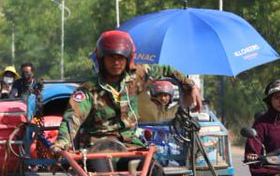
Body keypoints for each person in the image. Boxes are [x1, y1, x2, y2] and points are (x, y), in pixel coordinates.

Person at [53, 30, 200, 153]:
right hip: (99, 147)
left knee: (155, 173)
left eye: (120, 58)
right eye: (111, 57)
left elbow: (167, 70)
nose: (116, 63)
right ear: (101, 59)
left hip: (131, 144)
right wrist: (61, 143)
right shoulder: (88, 90)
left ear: (128, 59)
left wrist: (190, 85)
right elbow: (72, 117)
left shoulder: (137, 77)